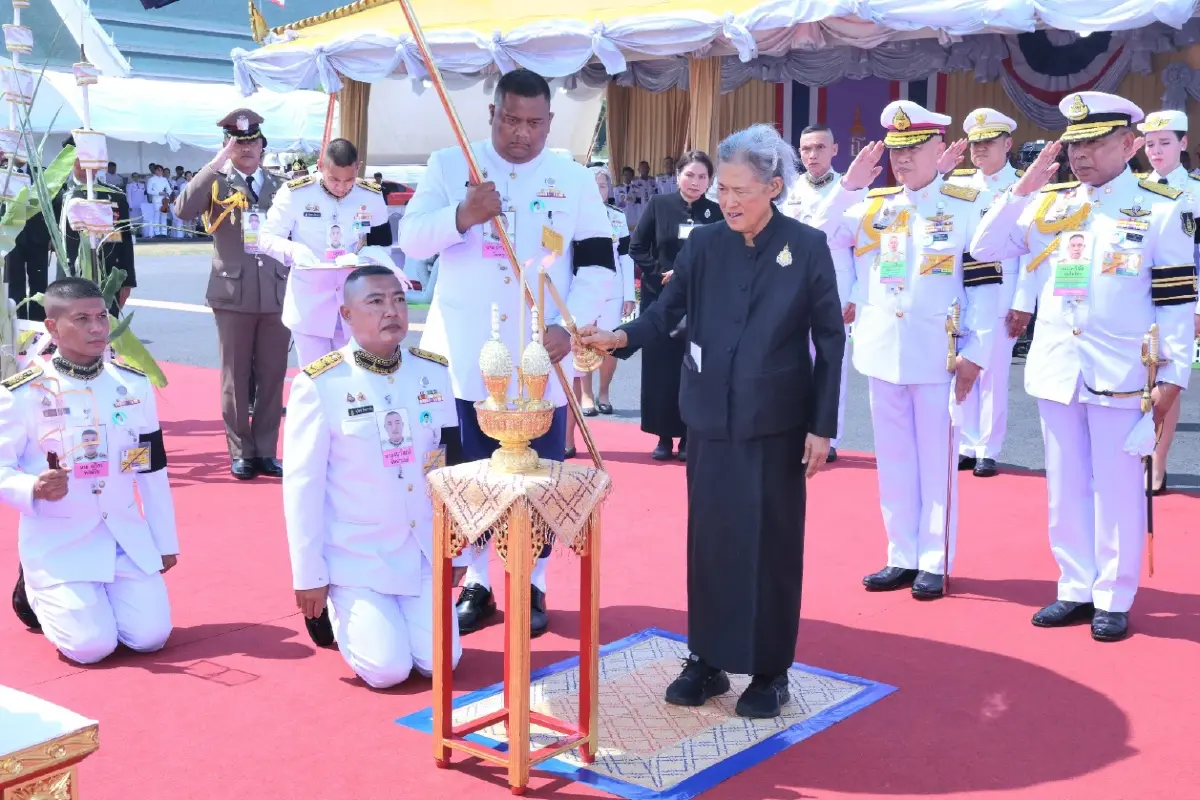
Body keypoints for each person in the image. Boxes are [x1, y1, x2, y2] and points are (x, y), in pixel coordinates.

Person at [580, 124, 844, 719]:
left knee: (770, 545)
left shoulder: (805, 246)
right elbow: (664, 313)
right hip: (709, 419)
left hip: (776, 423)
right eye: (722, 188)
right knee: (711, 542)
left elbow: (830, 339)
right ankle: (707, 659)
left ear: (773, 187)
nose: (727, 200)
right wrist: (619, 337)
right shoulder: (703, 245)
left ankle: (770, 670)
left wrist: (821, 425)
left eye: (740, 190)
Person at [970, 91, 1197, 642]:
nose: (1080, 154)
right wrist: (1021, 191)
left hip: (1122, 370)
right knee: (1065, 485)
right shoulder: (1049, 203)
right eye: (1074, 144)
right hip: (1058, 366)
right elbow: (984, 247)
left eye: (1094, 142)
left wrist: (1174, 377)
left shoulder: (1162, 207)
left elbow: (1176, 299)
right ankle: (1074, 585)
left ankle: (1114, 595)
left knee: (1117, 486)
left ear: (1129, 144)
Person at [398, 68, 616, 638]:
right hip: (465, 351)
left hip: (541, 354)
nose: (522, 133)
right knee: (467, 471)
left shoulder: (572, 178)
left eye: (534, 123)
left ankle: (533, 581)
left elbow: (599, 263)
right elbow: (411, 238)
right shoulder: (451, 164)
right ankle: (477, 581)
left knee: (538, 472)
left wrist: (571, 327)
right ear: (492, 114)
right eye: (511, 120)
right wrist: (462, 215)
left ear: (550, 121)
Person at [808, 101, 1001, 599]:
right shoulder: (873, 204)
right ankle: (901, 554)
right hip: (883, 350)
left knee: (937, 461)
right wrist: (848, 187)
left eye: (914, 148)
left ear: (939, 148)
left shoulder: (967, 205)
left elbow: (985, 286)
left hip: (939, 352)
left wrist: (977, 350)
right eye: (896, 150)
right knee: (893, 460)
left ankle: (934, 560)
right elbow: (816, 234)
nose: (903, 158)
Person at [282, 265, 462, 687]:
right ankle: (339, 609)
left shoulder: (432, 372)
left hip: (420, 549)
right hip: (357, 555)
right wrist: (309, 576)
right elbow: (303, 489)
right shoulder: (321, 384)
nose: (391, 311)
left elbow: (451, 469)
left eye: (398, 300)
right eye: (376, 302)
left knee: (442, 663)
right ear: (346, 315)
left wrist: (458, 551)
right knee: (387, 671)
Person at [1, 277, 179, 663]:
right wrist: (32, 487)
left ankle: (93, 599)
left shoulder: (132, 385)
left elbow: (151, 469)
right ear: (53, 327)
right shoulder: (22, 393)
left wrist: (163, 542)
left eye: (101, 317)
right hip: (60, 541)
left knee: (150, 637)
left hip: (123, 538)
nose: (97, 328)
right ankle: (33, 589)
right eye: (82, 319)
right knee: (91, 648)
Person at [175, 109, 291, 481]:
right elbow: (183, 209)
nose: (246, 148)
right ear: (226, 146)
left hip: (276, 292)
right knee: (235, 377)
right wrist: (216, 163)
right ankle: (241, 452)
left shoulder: (282, 186)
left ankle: (266, 450)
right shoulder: (216, 182)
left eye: (252, 141)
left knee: (273, 376)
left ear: (262, 145)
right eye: (237, 143)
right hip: (232, 292)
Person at [257, 138, 394, 366]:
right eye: (334, 179)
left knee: (355, 377)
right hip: (311, 304)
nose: (341, 187)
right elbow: (266, 237)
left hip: (355, 302)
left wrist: (364, 258)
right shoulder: (296, 193)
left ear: (358, 168)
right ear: (320, 165)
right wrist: (294, 250)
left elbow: (383, 244)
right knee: (315, 378)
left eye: (349, 180)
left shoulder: (370, 195)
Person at [629, 151, 723, 461]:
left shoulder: (716, 212)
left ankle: (688, 437)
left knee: (693, 369)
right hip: (660, 299)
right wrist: (660, 274)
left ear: (709, 181)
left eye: (702, 177)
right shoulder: (659, 205)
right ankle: (663, 436)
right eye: (689, 175)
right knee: (661, 369)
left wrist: (690, 275)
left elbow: (722, 254)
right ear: (678, 175)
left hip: (699, 301)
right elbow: (637, 247)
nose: (695, 182)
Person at [947, 109, 1024, 477]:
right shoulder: (958, 185)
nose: (979, 149)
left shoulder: (1024, 187)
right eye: (975, 143)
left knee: (993, 373)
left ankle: (987, 449)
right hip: (961, 293)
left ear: (1007, 144)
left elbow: (1031, 252)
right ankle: (966, 442)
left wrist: (1023, 302)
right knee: (963, 366)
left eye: (988, 142)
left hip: (1002, 291)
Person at [779, 124, 855, 461]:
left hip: (836, 288)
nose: (812, 155)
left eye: (820, 147)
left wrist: (856, 294)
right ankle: (797, 429)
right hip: (794, 289)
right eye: (806, 149)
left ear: (834, 150)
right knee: (794, 361)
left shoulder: (853, 189)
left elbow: (865, 249)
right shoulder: (788, 191)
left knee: (831, 362)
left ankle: (829, 434)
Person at [1133, 109, 1199, 494]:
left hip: (1179, 300)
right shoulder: (1135, 191)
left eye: (1164, 143)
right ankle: (1134, 456)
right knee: (1135, 379)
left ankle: (1157, 463)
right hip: (1136, 300)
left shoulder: (1195, 192)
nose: (1156, 151)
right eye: (1150, 144)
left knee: (1168, 380)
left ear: (1183, 143)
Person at [565, 167, 636, 456]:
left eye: (603, 186)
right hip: (580, 292)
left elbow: (626, 257)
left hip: (612, 292)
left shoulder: (617, 217)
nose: (598, 190)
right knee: (581, 345)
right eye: (594, 185)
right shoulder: (573, 213)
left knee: (608, 346)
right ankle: (586, 394)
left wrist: (629, 294)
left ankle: (604, 391)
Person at [53, 136, 136, 312]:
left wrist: (127, 280)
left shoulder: (115, 195)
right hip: (71, 277)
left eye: (92, 159)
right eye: (82, 159)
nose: (88, 166)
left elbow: (125, 239)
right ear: (71, 160)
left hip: (109, 277)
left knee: (108, 325)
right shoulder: (58, 195)